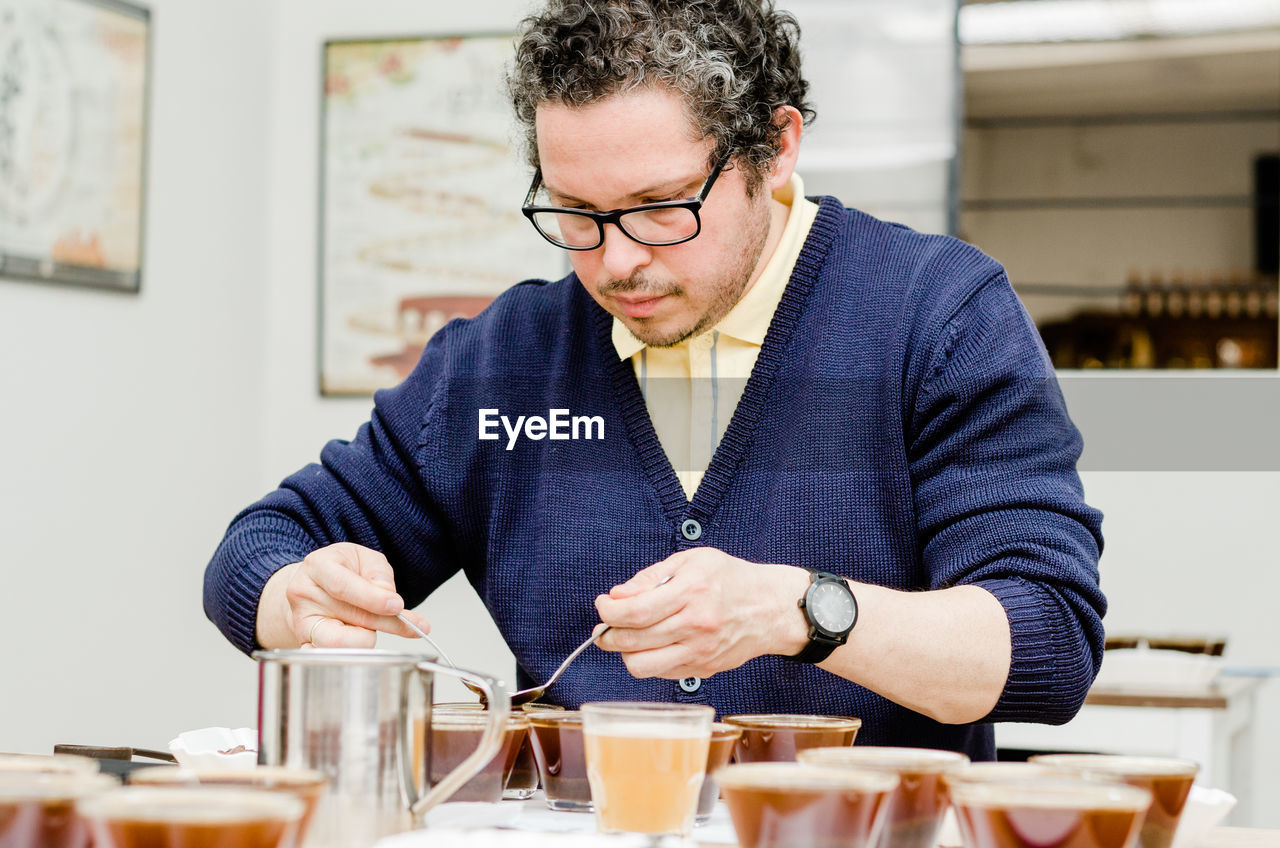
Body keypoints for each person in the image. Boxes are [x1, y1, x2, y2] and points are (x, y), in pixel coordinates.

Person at [205, 0, 1105, 760]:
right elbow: (257, 549)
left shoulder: (937, 317)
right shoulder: (504, 363)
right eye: (578, 215)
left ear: (776, 148)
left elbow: (1047, 642)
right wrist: (298, 601)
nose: (617, 263)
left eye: (659, 208)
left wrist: (800, 611)